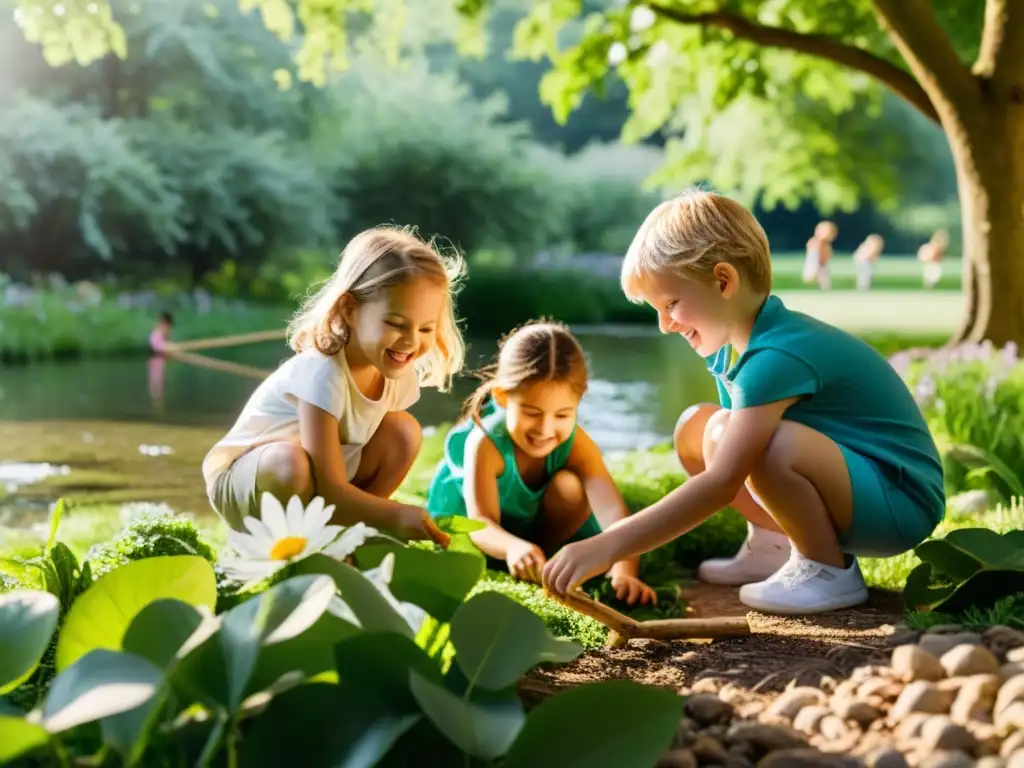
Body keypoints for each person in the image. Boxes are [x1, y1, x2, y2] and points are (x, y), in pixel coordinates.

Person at [541, 190, 945, 615]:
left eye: (671, 304)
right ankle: (776, 544)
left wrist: (607, 545)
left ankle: (826, 569)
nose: (664, 325)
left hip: (899, 502)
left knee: (770, 445)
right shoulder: (734, 348)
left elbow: (722, 482)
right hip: (864, 490)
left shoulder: (775, 356)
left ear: (723, 281)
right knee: (700, 426)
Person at [201, 225, 465, 544]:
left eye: (426, 329)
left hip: (312, 485)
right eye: (396, 324)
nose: (411, 341)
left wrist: (381, 511)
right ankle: (293, 543)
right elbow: (329, 487)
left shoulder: (395, 371)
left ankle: (347, 534)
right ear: (349, 309)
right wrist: (393, 514)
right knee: (291, 464)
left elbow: (373, 454)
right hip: (247, 483)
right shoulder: (323, 373)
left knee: (403, 432)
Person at [426, 321, 657, 606]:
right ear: (502, 396)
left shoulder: (577, 443)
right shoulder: (485, 443)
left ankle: (544, 559)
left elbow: (611, 509)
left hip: (539, 531)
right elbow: (480, 523)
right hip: (487, 536)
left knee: (570, 487)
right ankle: (522, 557)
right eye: (532, 412)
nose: (545, 429)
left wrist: (623, 571)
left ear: (581, 396)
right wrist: (511, 547)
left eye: (562, 415)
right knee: (466, 542)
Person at [802, 221, 837, 291]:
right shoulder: (814, 242)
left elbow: (827, 255)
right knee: (812, 276)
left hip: (822, 265)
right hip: (814, 264)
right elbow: (813, 257)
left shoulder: (826, 245)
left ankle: (824, 289)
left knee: (825, 282)